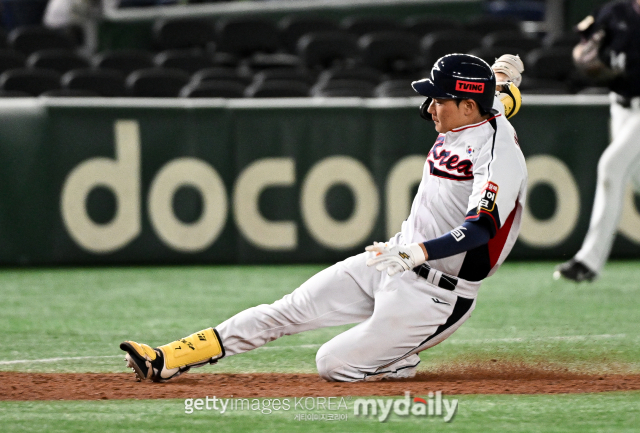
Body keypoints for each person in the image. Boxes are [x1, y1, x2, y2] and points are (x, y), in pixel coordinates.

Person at [120, 53, 528, 383]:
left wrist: (418, 252)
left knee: (333, 364)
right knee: (286, 309)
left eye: (439, 98)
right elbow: (499, 100)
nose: (429, 106)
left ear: (468, 105)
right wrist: (504, 81)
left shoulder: (498, 154)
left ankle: (395, 362)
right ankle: (167, 358)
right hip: (393, 259)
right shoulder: (473, 109)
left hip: (439, 297)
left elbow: (480, 229)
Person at [555, 0, 640, 283]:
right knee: (637, 180)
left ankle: (588, 262)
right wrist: (584, 54)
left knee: (611, 167)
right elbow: (584, 45)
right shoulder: (615, 12)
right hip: (620, 105)